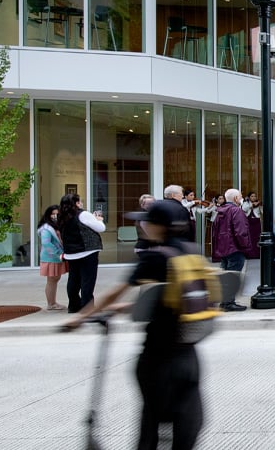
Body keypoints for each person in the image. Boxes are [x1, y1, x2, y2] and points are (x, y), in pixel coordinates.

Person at [63, 199, 204, 450]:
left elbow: (112, 293)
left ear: (159, 226)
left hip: (157, 358)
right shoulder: (191, 253)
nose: (143, 226)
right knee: (186, 421)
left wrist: (80, 318)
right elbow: (168, 297)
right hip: (188, 355)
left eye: (147, 221)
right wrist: (126, 308)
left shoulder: (154, 257)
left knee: (151, 420)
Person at [58, 193, 106, 314]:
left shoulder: (62, 216)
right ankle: (87, 306)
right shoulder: (83, 214)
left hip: (71, 253)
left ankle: (73, 305)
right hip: (87, 251)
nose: (82, 203)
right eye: (80, 201)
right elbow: (101, 228)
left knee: (73, 279)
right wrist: (98, 220)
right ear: (77, 203)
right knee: (87, 280)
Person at [210, 189, 252, 312]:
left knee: (225, 276)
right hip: (235, 248)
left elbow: (215, 231)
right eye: (240, 196)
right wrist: (245, 246)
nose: (241, 198)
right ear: (235, 198)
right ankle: (228, 302)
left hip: (224, 248)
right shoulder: (236, 211)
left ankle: (225, 301)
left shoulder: (220, 211)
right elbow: (241, 231)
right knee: (233, 276)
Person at [36, 204, 66, 310]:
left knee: (55, 279)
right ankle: (51, 304)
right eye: (52, 214)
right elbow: (46, 243)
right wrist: (57, 253)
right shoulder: (46, 228)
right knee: (52, 280)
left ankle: (52, 302)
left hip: (56, 257)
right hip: (51, 257)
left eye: (57, 214)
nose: (55, 216)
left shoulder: (56, 226)